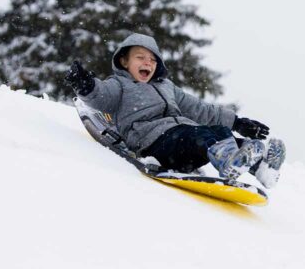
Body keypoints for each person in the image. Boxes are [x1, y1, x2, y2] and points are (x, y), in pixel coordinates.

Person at [64, 33, 285, 187]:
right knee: (200, 136)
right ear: (124, 61)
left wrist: (237, 123)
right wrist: (86, 85)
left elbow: (199, 108)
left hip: (183, 141)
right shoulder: (119, 85)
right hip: (153, 142)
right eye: (140, 57)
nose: (147, 63)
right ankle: (228, 161)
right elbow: (100, 97)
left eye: (152, 60)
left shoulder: (167, 87)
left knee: (217, 132)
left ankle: (261, 166)